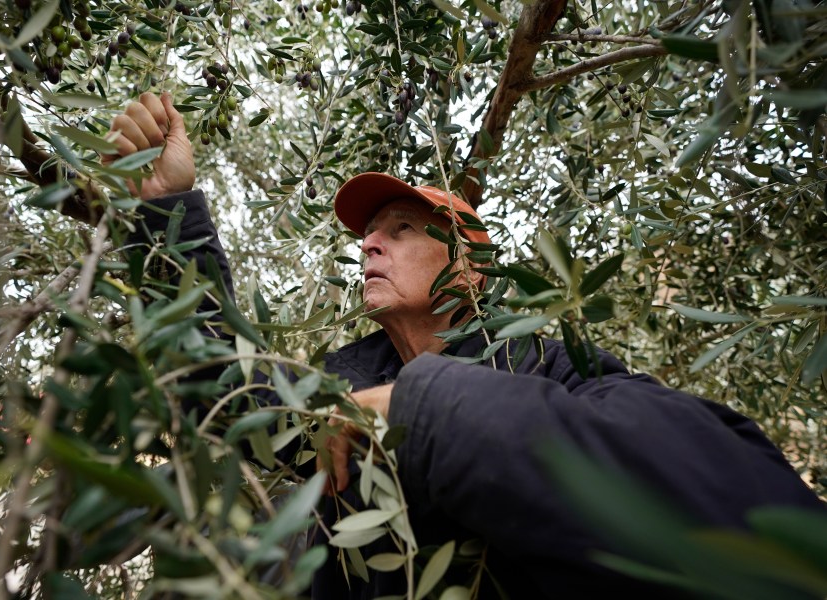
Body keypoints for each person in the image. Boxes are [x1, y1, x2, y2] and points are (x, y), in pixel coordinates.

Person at [109, 93, 824, 598]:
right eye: (367, 234)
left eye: (401, 228)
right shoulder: (337, 397)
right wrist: (166, 210)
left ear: (470, 266)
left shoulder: (552, 368)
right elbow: (226, 396)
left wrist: (421, 405)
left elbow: (737, 503)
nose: (370, 244)